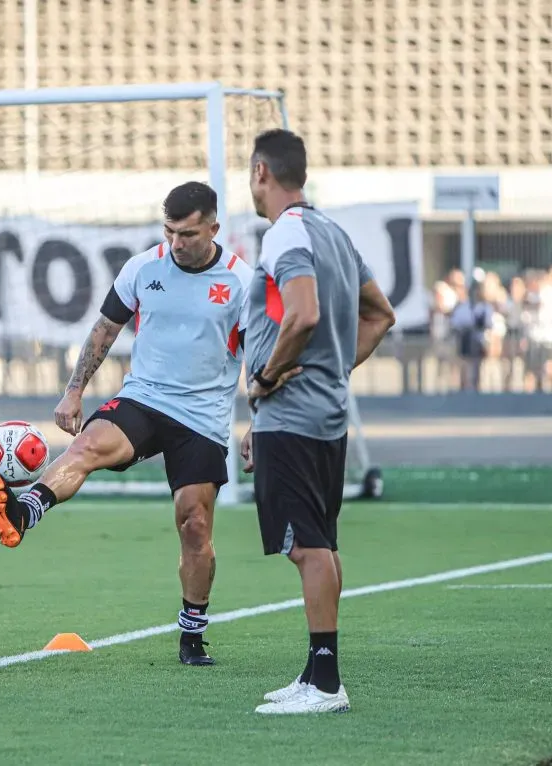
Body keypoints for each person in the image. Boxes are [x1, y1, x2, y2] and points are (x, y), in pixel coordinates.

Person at [0, 181, 289, 666]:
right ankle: (22, 513)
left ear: (213, 228)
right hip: (144, 399)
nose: (176, 243)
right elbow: (106, 328)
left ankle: (192, 634)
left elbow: (260, 358)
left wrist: (258, 423)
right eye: (169, 232)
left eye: (187, 234)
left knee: (194, 525)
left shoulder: (240, 283)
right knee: (85, 447)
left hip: (203, 419)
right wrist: (75, 389)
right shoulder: (143, 267)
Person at [240, 129, 396, 714]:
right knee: (321, 543)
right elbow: (380, 315)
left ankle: (327, 684)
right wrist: (332, 369)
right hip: (323, 414)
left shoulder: (286, 233)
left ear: (262, 172)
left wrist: (267, 380)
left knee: (305, 547)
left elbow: (302, 314)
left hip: (295, 417)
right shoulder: (333, 232)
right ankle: (315, 672)